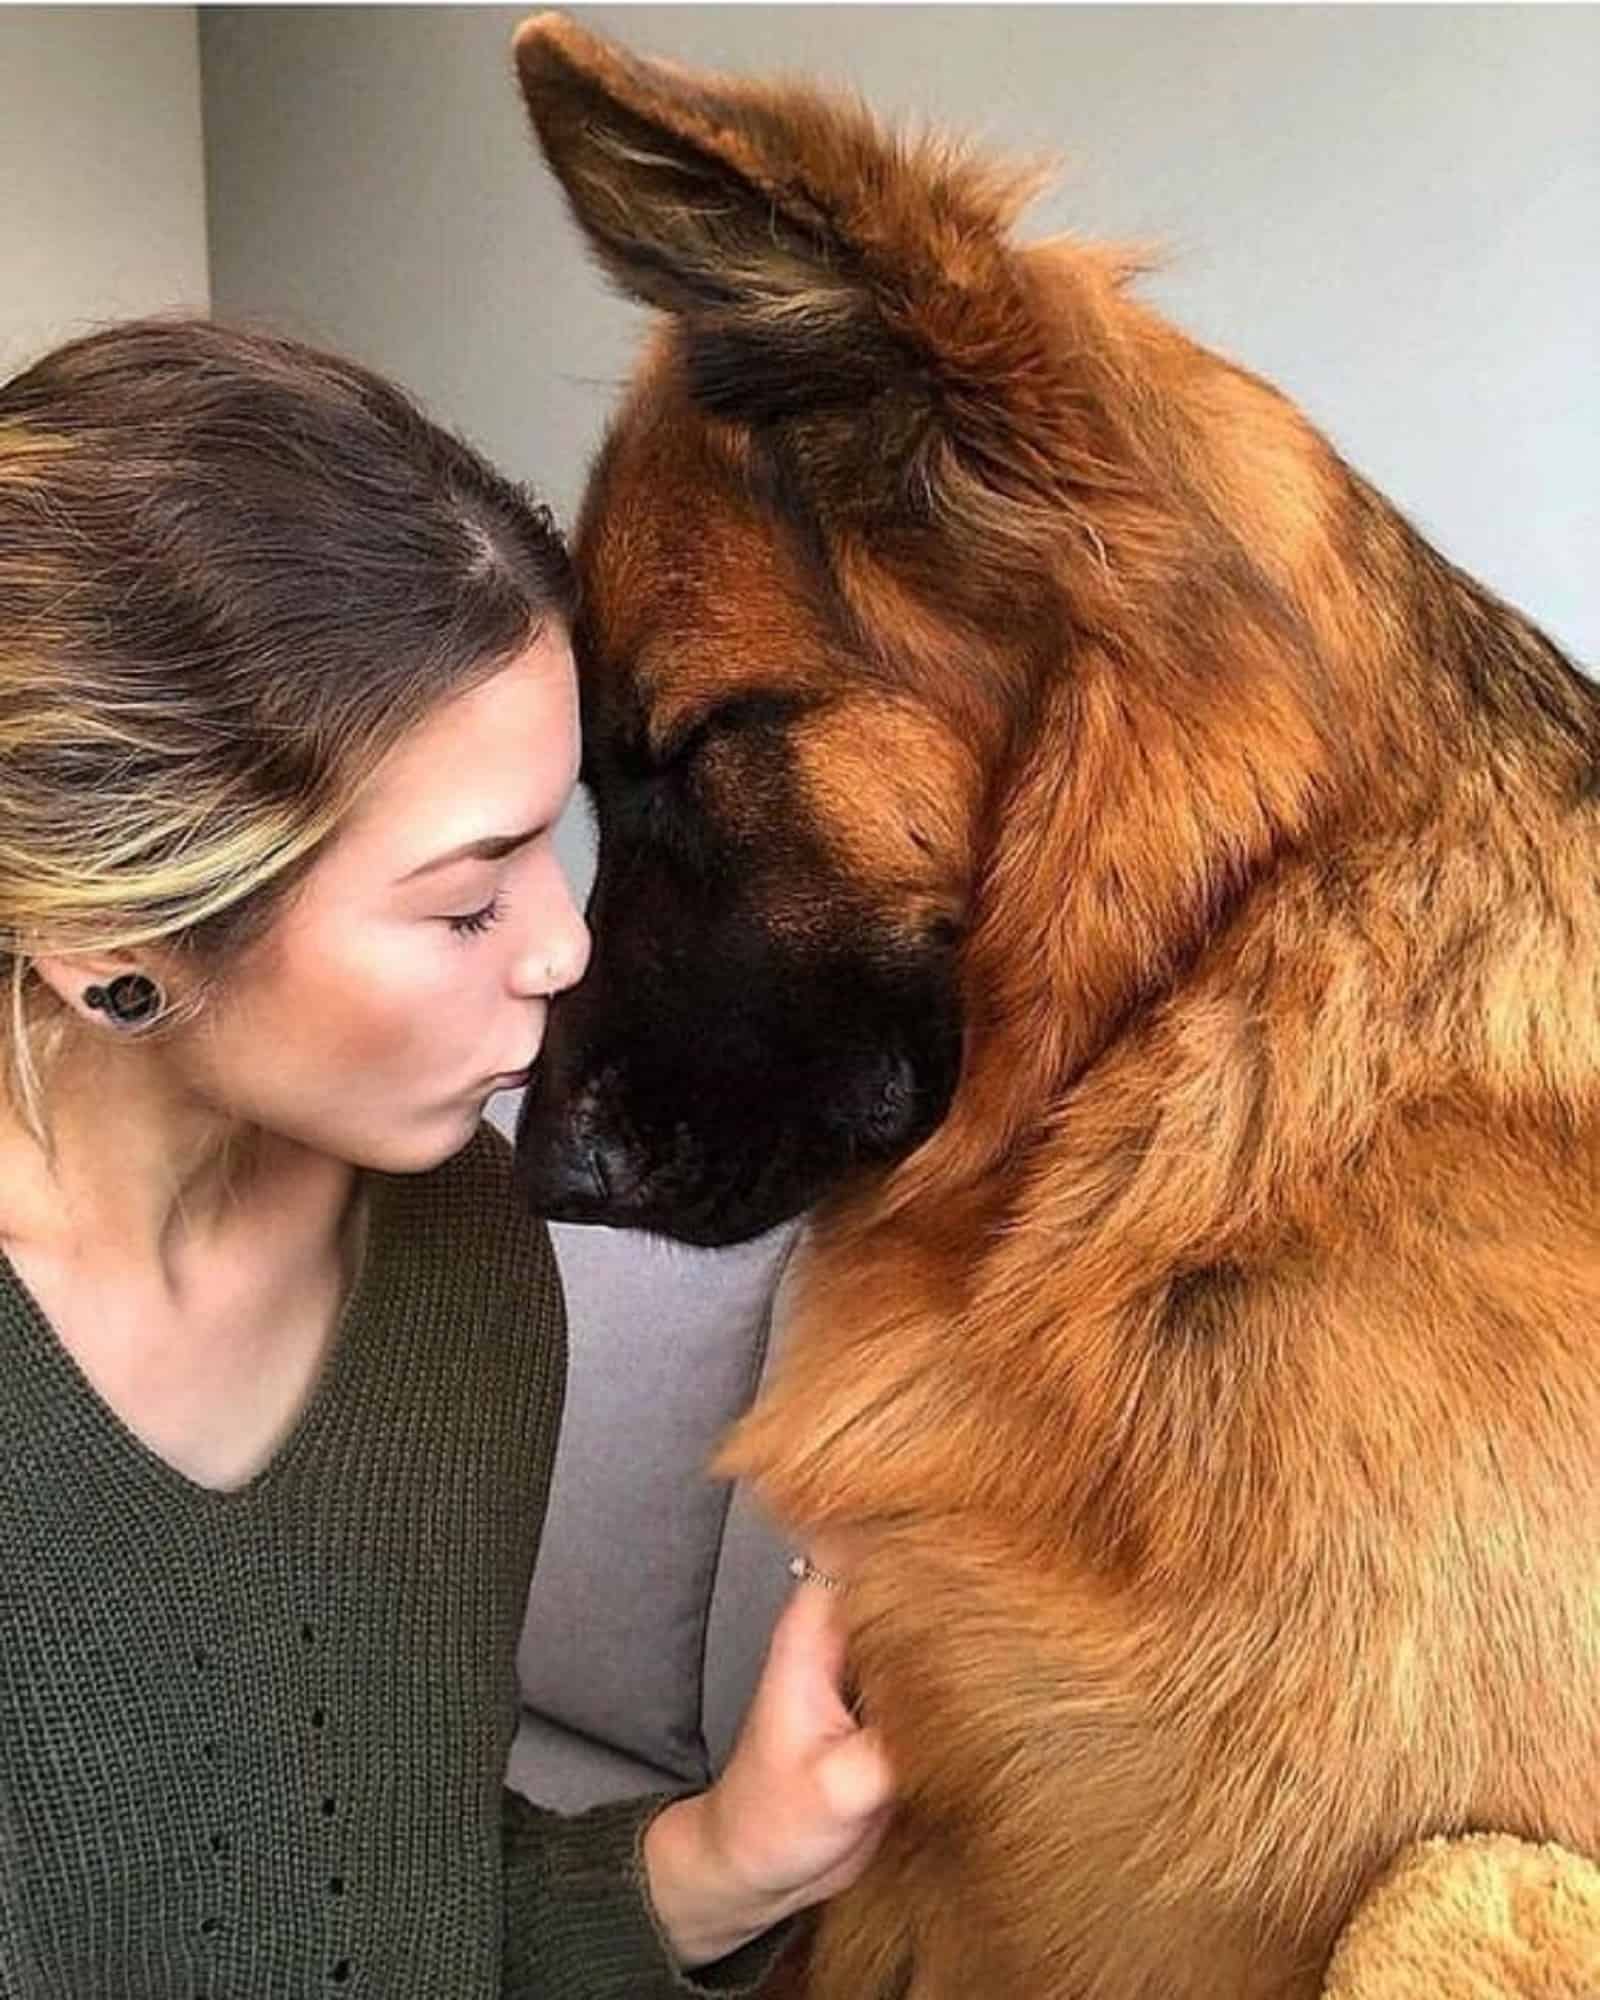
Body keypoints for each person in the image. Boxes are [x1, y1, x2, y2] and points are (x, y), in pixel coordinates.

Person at [0, 317, 893, 1997]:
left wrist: (722, 1860)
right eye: (468, 898)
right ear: (116, 928)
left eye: (555, 851)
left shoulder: (459, 1249)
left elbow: (369, 1898)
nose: (565, 954)